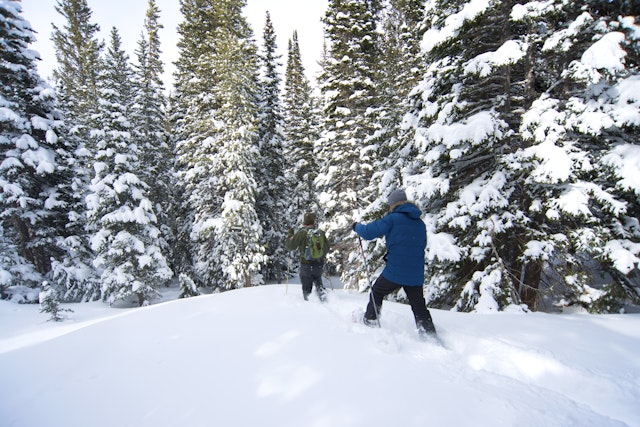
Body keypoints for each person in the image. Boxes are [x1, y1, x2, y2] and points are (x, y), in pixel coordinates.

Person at [352, 189, 437, 339]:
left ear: (393, 204)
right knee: (418, 305)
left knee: (377, 291)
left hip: (395, 270)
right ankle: (428, 333)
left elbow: (368, 232)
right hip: (415, 272)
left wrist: (356, 227)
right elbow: (421, 245)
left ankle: (371, 320)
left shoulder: (392, 219)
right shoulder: (420, 223)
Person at [286, 212, 330, 301]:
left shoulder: (301, 233)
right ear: (313, 222)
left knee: (306, 288)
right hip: (319, 264)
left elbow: (291, 246)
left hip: (306, 265)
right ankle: (323, 300)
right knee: (318, 281)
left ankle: (308, 304)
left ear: (304, 222)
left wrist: (290, 234)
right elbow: (327, 247)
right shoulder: (320, 232)